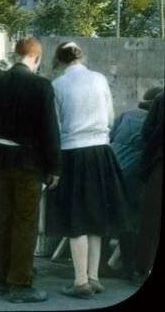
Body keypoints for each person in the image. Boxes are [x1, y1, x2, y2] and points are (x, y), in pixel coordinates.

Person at [0, 37, 61, 304]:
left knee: (1, 218)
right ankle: (20, 283)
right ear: (36, 58)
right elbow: (50, 130)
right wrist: (54, 167)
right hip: (28, 163)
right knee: (25, 222)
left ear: (16, 54)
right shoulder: (41, 85)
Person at [46, 41, 129, 299]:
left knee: (76, 217)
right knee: (96, 216)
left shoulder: (57, 85)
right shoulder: (99, 79)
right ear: (81, 57)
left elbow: (56, 126)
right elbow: (111, 117)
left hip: (72, 152)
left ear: (59, 60)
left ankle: (80, 280)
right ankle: (93, 277)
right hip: (101, 151)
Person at [108, 86, 162, 281]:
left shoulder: (127, 114)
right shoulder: (152, 122)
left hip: (111, 168)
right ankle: (129, 266)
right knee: (131, 219)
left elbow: (111, 136)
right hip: (133, 174)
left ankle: (101, 263)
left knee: (108, 215)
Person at [135, 86, 163, 281]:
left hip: (160, 163)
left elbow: (147, 133)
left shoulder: (161, 99)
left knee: (151, 218)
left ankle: (144, 268)